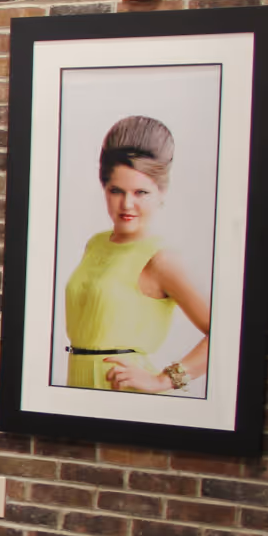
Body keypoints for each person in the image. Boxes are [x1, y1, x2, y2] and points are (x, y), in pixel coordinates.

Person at [62, 115, 210, 393]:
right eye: (116, 190)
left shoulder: (162, 258)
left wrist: (163, 380)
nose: (127, 204)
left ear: (162, 192)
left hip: (127, 395)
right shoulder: (95, 244)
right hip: (78, 387)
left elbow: (229, 334)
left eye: (141, 192)